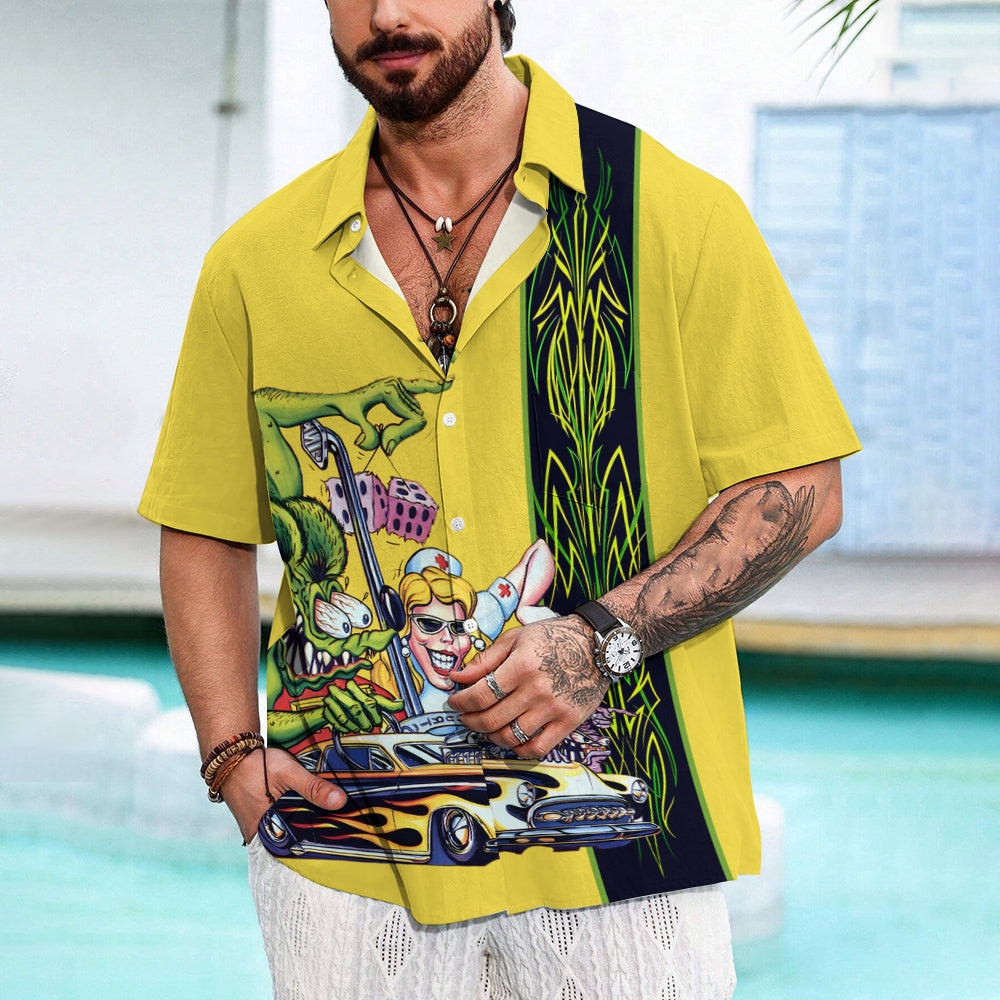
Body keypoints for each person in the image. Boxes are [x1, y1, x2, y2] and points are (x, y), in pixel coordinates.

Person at [139, 2, 860, 998]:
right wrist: (231, 756)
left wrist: (599, 641)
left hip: (625, 846)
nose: (387, 13)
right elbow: (205, 528)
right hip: (350, 859)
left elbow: (800, 489)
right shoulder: (256, 265)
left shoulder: (671, 215)